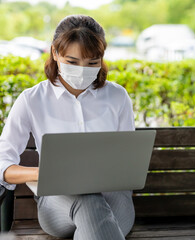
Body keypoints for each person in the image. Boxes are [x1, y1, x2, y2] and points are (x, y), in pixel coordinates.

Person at [0, 15, 135, 240]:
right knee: (88, 202)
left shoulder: (117, 97)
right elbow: (2, 164)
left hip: (113, 199)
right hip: (57, 201)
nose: (83, 70)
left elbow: (129, 159)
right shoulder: (32, 99)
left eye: (92, 63)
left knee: (94, 217)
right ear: (55, 53)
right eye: (72, 62)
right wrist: (45, 174)